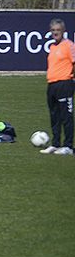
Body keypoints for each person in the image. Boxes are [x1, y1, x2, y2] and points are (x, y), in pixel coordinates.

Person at [41, 18, 74, 155]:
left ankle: (68, 146)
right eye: (53, 30)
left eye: (58, 30)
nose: (55, 33)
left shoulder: (69, 45)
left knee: (66, 116)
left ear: (63, 31)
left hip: (64, 84)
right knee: (54, 116)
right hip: (52, 85)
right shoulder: (52, 47)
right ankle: (55, 144)